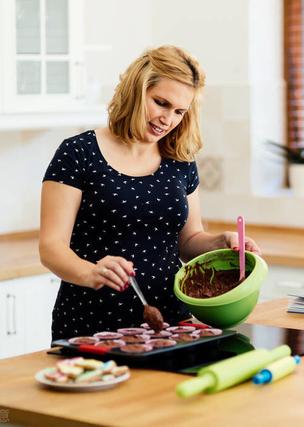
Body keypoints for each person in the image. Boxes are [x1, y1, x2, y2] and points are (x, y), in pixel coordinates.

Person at [39, 45, 261, 341]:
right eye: (161, 103)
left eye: (179, 111)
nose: (168, 119)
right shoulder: (78, 153)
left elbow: (189, 240)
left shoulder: (180, 158)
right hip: (92, 325)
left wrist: (221, 242)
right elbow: (51, 247)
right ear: (136, 90)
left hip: (170, 324)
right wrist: (91, 272)